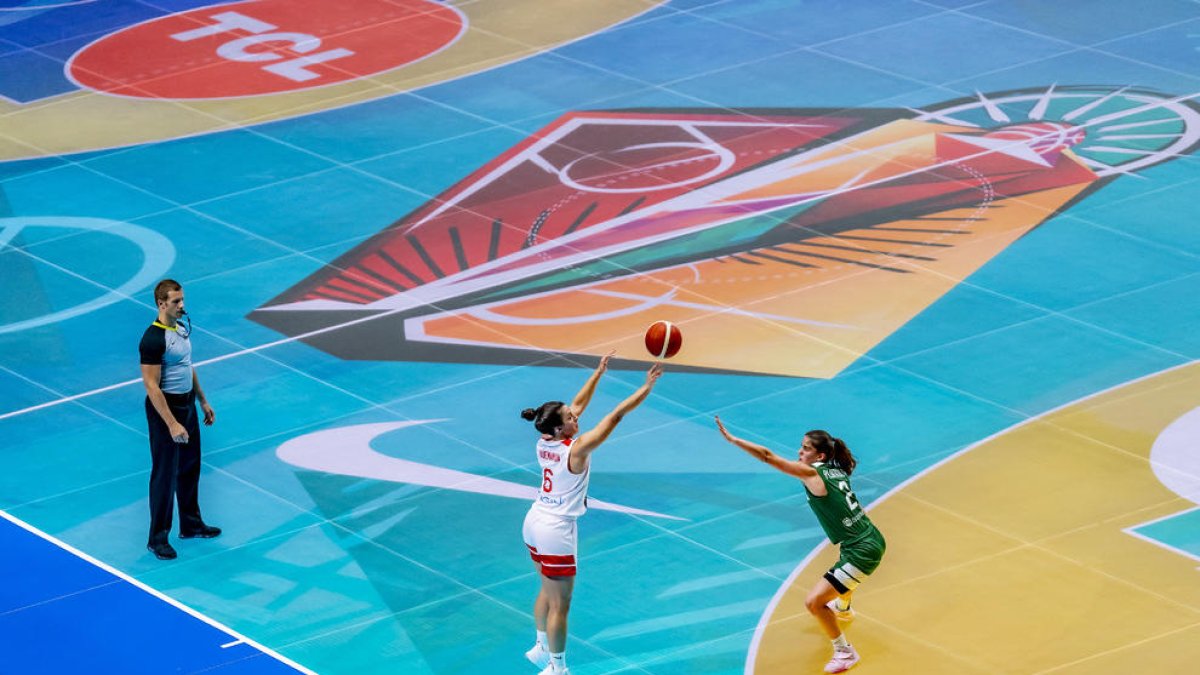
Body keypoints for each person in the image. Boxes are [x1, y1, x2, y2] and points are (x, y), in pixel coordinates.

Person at [520, 353, 663, 675]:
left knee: (546, 587)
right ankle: (558, 668)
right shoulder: (577, 449)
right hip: (555, 529)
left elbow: (578, 403)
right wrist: (646, 388)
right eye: (570, 417)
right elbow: (614, 417)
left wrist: (598, 373)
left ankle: (541, 646)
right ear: (560, 428)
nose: (576, 417)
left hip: (533, 520)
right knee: (561, 604)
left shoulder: (545, 439)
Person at [714, 417, 885, 674]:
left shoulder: (812, 473)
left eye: (805, 448)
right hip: (869, 537)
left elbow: (767, 456)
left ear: (820, 454)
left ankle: (844, 652)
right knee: (839, 579)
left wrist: (733, 440)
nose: (799, 452)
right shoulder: (835, 469)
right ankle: (844, 606)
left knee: (814, 603)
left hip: (861, 550)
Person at [139, 279, 221, 560]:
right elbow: (151, 386)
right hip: (165, 409)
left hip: (187, 404)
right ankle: (157, 538)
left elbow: (187, 366)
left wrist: (202, 400)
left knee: (189, 466)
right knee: (164, 473)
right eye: (176, 301)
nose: (182, 305)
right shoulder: (153, 339)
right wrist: (172, 422)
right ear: (161, 304)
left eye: (182, 299)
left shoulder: (182, 329)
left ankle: (191, 524)